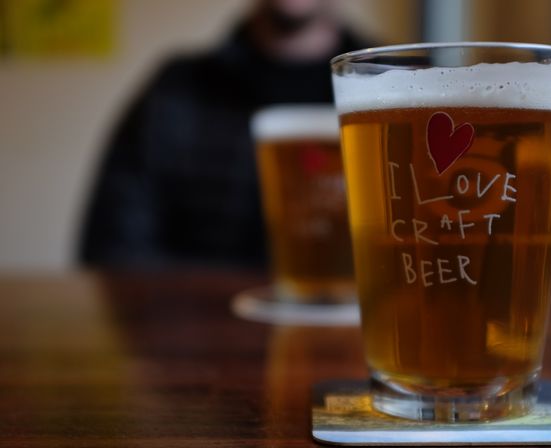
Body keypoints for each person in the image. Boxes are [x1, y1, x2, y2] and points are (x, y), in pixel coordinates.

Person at [77, 0, 371, 268]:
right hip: (196, 322)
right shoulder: (176, 88)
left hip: (355, 324)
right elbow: (112, 248)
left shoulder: (392, 87)